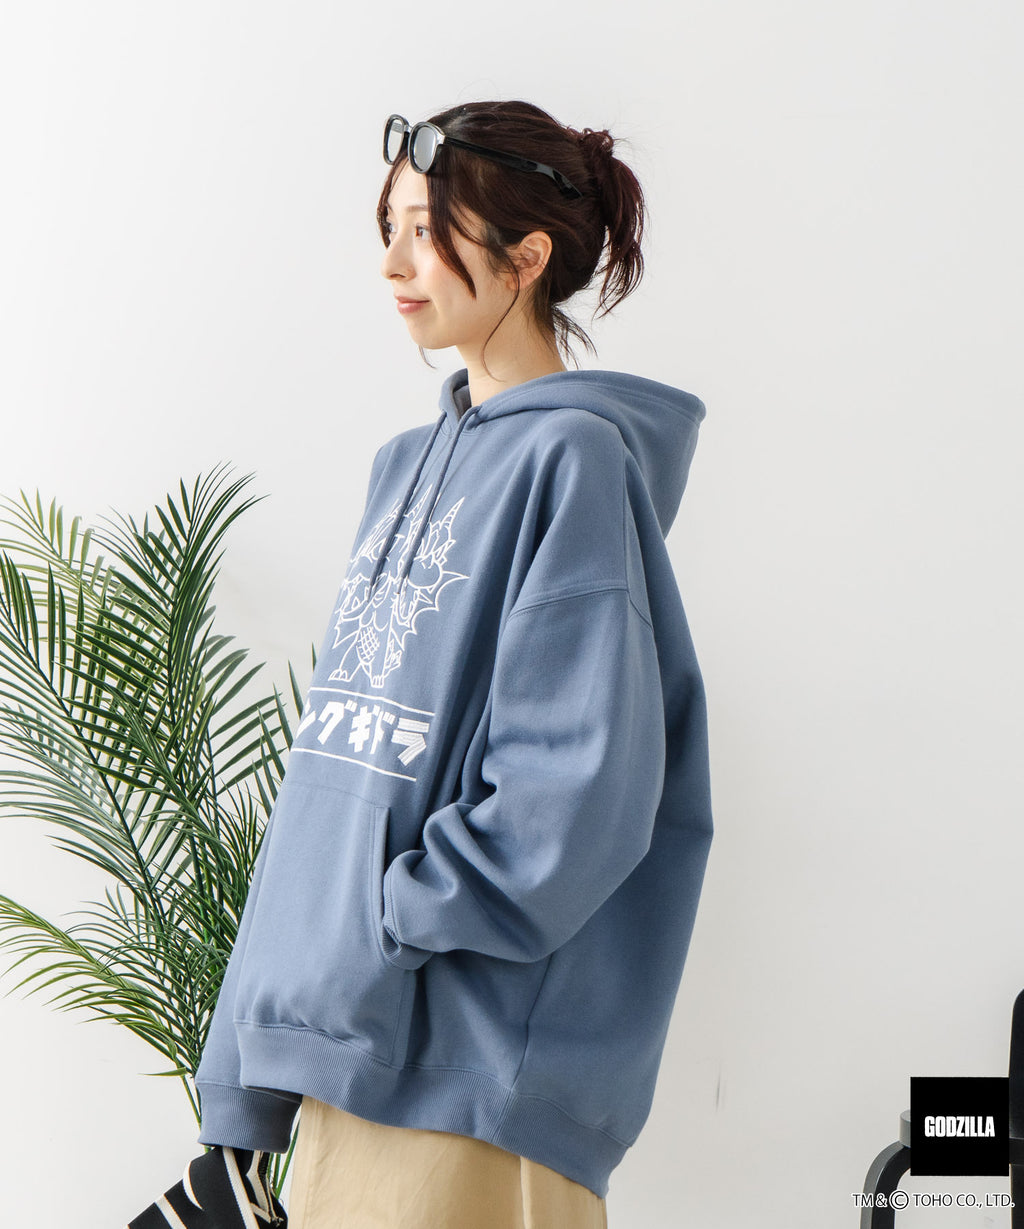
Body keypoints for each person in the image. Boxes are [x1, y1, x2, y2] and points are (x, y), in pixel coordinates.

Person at [132, 99, 713, 1229]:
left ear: (526, 258)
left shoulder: (577, 462)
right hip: (355, 1059)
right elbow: (333, 779)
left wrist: (382, 918)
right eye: (389, 227)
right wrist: (248, 1082)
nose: (393, 264)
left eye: (426, 232)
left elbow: (576, 798)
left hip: (470, 1084)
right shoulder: (403, 467)